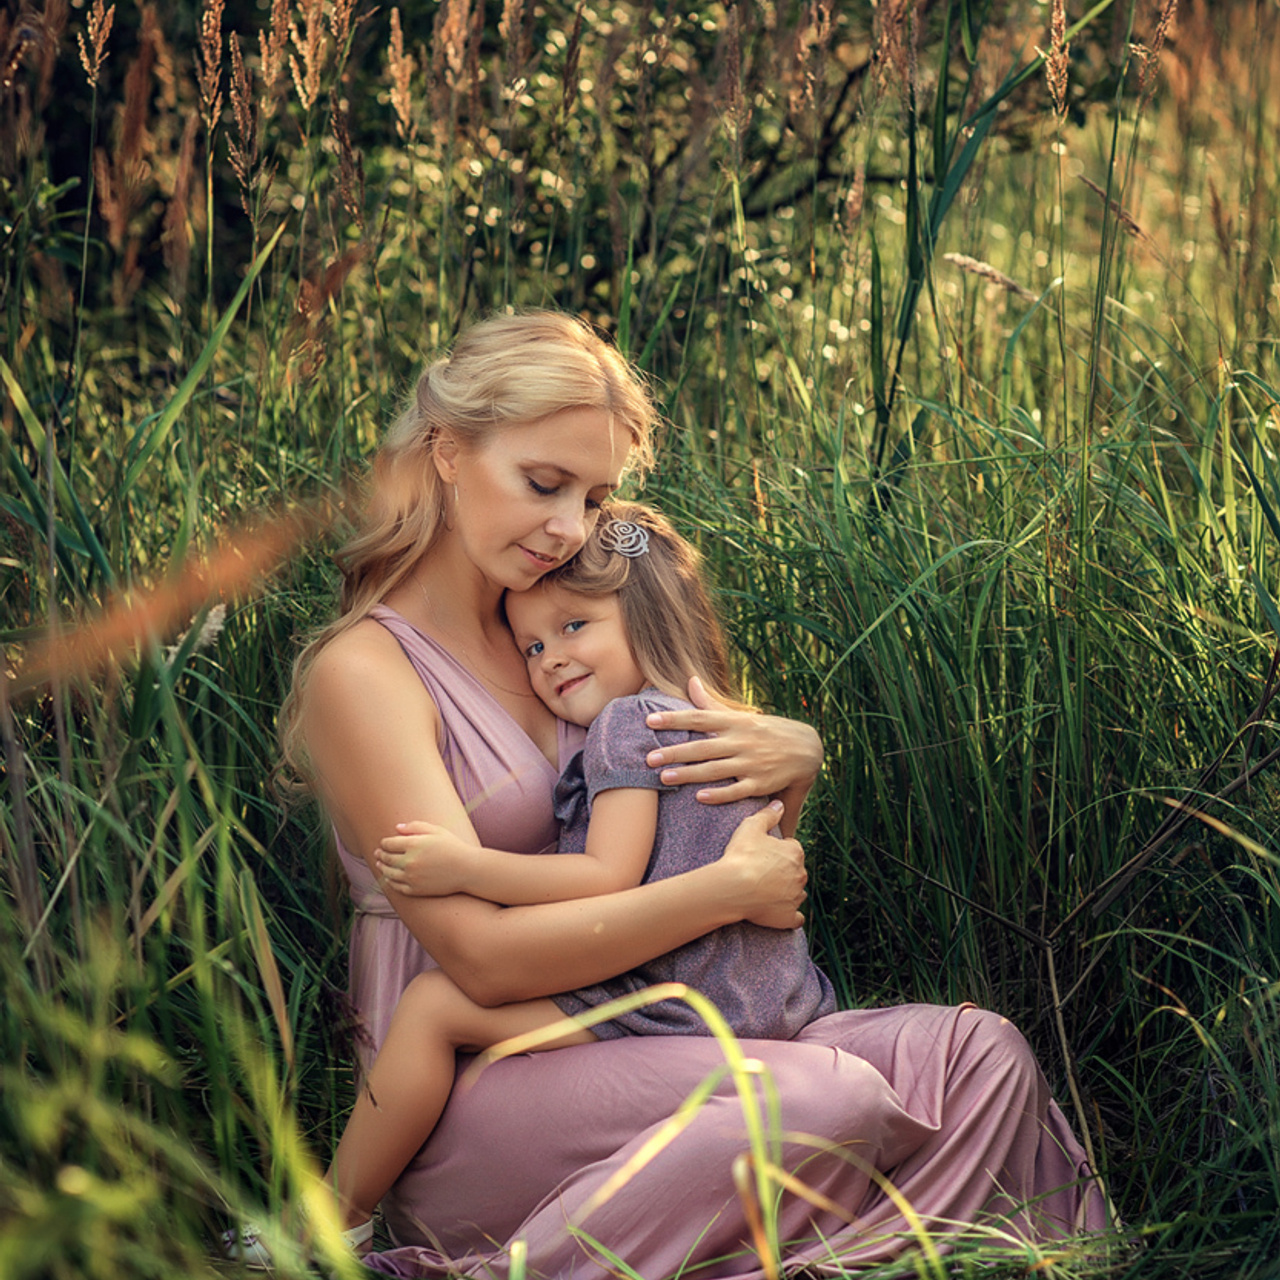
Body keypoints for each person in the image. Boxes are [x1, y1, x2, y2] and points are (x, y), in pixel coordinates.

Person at [277, 310, 1105, 1278]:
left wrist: (793, 762)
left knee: (979, 1055)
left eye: (595, 496)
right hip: (482, 1079)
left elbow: (725, 849)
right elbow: (480, 960)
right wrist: (724, 893)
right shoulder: (365, 672)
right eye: (543, 483)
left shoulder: (567, 624)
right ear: (447, 453)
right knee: (825, 1102)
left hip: (649, 1017)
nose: (568, 527)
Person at [317, 503, 836, 1249]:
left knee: (432, 1006)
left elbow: (606, 874)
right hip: (768, 998)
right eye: (530, 645)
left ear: (646, 617)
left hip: (670, 1000)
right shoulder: (724, 726)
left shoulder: (628, 725)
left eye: (573, 627)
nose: (549, 659)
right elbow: (772, 859)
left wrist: (468, 865)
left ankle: (334, 1221)